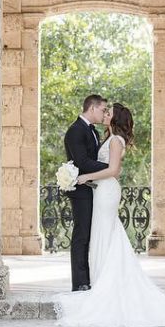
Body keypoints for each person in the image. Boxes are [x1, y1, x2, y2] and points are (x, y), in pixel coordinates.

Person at [53, 103, 165, 327]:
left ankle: (108, 284)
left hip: (106, 190)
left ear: (116, 118)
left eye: (109, 113)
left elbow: (113, 170)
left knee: (105, 232)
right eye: (105, 111)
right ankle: (101, 281)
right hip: (103, 189)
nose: (105, 115)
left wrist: (85, 177)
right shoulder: (109, 137)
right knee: (102, 233)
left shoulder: (116, 140)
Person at [62, 94, 109, 291]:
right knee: (82, 235)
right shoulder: (75, 131)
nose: (104, 113)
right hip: (81, 191)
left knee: (91, 235)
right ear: (92, 108)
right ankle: (80, 282)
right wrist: (110, 167)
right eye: (102, 110)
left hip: (92, 189)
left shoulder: (93, 132)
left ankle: (90, 278)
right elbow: (81, 162)